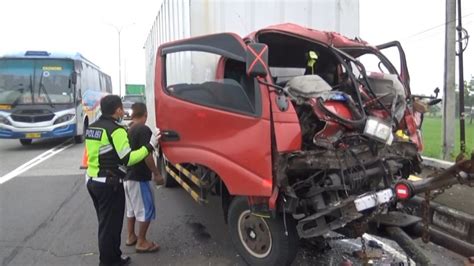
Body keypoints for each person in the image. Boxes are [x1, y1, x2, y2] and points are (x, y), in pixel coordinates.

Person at [85, 95, 160, 266]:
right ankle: (108, 262)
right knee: (110, 227)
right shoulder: (116, 130)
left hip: (92, 180)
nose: (123, 111)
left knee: (106, 224)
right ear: (118, 110)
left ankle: (114, 257)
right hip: (109, 184)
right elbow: (128, 158)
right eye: (121, 108)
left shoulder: (93, 127)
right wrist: (149, 146)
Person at [123, 102, 164, 253]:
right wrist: (157, 173)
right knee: (145, 209)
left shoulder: (129, 129)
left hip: (127, 177)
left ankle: (131, 236)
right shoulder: (143, 129)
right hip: (139, 177)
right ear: (145, 115)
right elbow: (146, 154)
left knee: (132, 210)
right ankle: (142, 241)